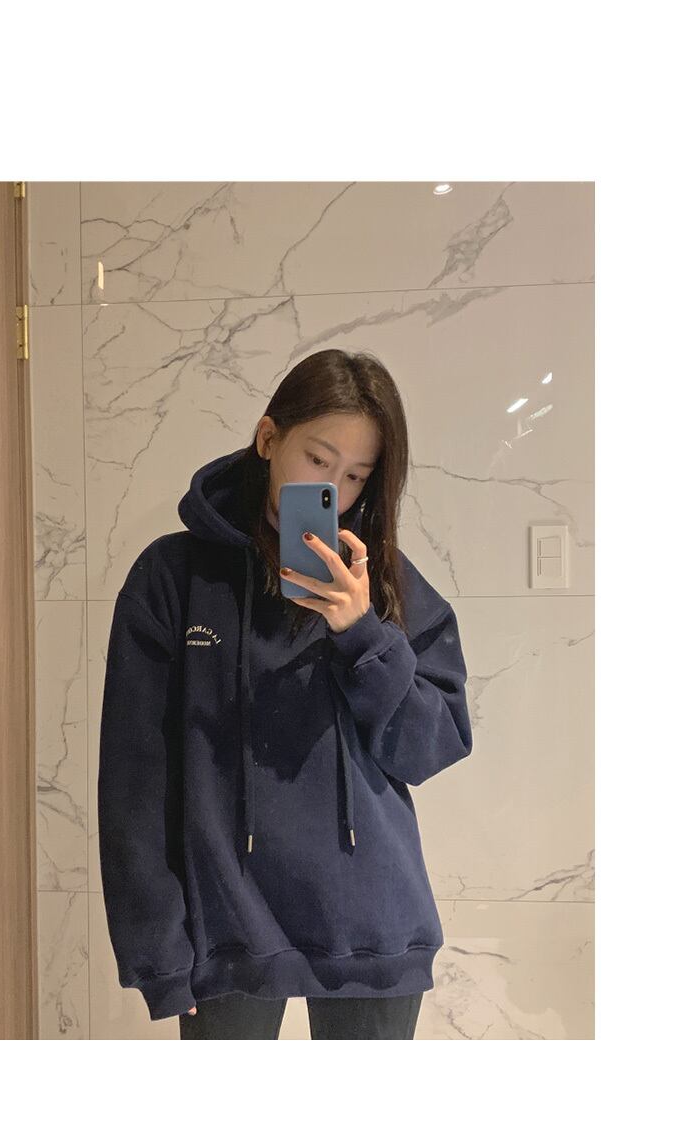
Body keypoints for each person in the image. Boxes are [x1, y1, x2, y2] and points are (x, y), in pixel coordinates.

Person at [97, 348, 473, 1039]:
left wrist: (363, 633)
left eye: (356, 475)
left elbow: (432, 746)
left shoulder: (380, 581)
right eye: (318, 459)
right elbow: (135, 780)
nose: (333, 487)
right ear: (268, 438)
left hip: (372, 921)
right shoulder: (174, 577)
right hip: (226, 927)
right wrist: (158, 952)